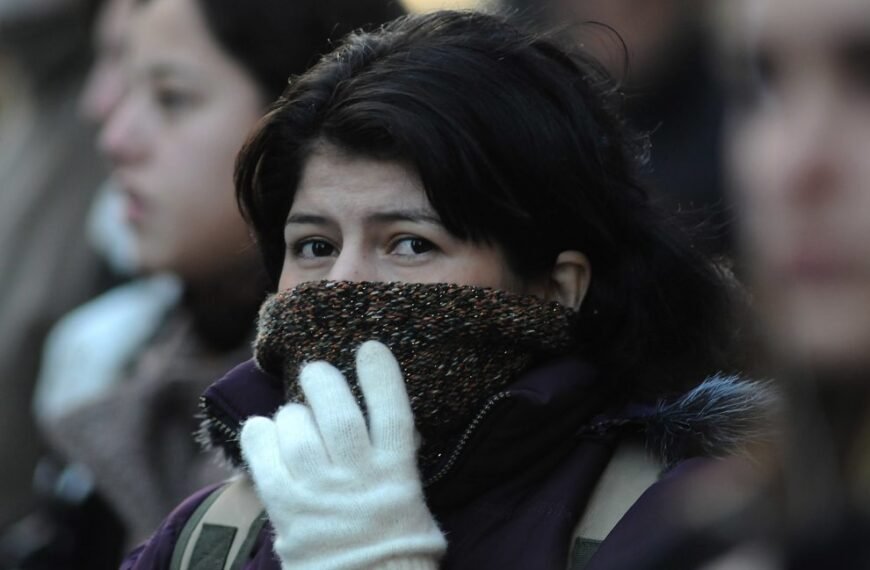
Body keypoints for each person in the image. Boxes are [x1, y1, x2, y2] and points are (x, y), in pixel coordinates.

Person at [121, 10, 770, 570]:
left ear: (558, 286)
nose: (342, 284)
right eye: (315, 246)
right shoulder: (212, 537)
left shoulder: (679, 521)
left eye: (410, 244)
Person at [12, 0, 404, 567]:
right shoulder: (114, 363)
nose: (115, 138)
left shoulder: (383, 411)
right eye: (125, 89)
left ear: (311, 116)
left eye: (172, 98)